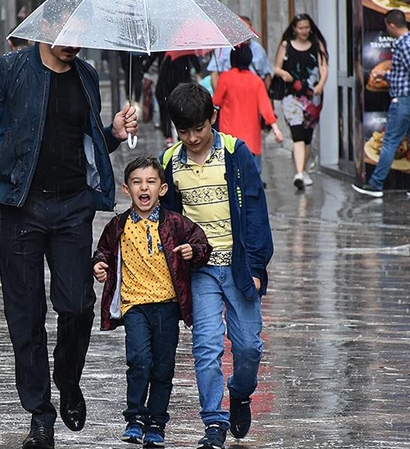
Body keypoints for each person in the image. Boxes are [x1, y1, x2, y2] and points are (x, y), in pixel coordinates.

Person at [0, 20, 139, 449]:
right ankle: (40, 413)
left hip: (72, 206)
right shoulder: (9, 70)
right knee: (26, 313)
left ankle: (68, 378)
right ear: (45, 31)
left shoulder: (87, 76)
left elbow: (86, 143)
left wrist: (112, 133)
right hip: (18, 207)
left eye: (82, 37)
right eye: (67, 37)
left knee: (77, 305)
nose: (75, 45)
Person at [159, 83, 274, 449]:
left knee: (248, 347)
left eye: (198, 128)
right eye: (183, 131)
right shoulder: (170, 163)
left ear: (213, 118)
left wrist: (256, 266)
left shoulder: (235, 153)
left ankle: (240, 392)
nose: (192, 138)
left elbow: (255, 209)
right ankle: (213, 422)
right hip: (201, 271)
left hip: (240, 268)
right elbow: (170, 221)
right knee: (206, 347)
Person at [92, 156, 212, 449]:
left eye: (150, 182)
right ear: (126, 189)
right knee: (139, 360)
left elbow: (202, 244)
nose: (143, 188)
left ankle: (156, 422)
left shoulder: (174, 222)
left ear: (162, 188)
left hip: (168, 306)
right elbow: (104, 251)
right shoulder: (118, 225)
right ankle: (134, 418)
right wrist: (98, 264)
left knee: (163, 366)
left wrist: (191, 252)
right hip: (135, 306)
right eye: (136, 182)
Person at [353, 9, 410, 199]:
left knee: (390, 141)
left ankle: (376, 184)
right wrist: (386, 75)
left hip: (405, 101)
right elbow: (406, 75)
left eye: (386, 26)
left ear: (391, 24)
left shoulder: (405, 45)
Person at [273, 13, 328, 190]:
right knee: (297, 133)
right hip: (291, 96)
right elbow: (276, 67)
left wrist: (321, 83)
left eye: (306, 27)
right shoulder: (286, 45)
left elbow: (324, 67)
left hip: (313, 96)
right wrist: (282, 73)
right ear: (294, 29)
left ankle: (303, 171)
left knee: (307, 136)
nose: (304, 31)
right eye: (300, 28)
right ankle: (298, 173)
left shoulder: (317, 45)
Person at [213, 45, 284, 180]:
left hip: (229, 136)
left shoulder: (225, 78)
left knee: (232, 175)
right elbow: (266, 107)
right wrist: (276, 129)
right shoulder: (256, 81)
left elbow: (216, 101)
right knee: (251, 176)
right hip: (251, 137)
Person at [207, 16, 272, 91]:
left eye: (249, 29)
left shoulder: (258, 49)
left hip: (253, 90)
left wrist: (266, 94)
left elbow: (267, 73)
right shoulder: (223, 49)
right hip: (230, 91)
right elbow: (214, 74)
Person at [156, 53, 202, 147]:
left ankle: (169, 137)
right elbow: (195, 61)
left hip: (167, 84)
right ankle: (180, 134)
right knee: (183, 110)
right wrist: (198, 71)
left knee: (166, 110)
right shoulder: (185, 48)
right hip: (181, 82)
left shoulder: (166, 52)